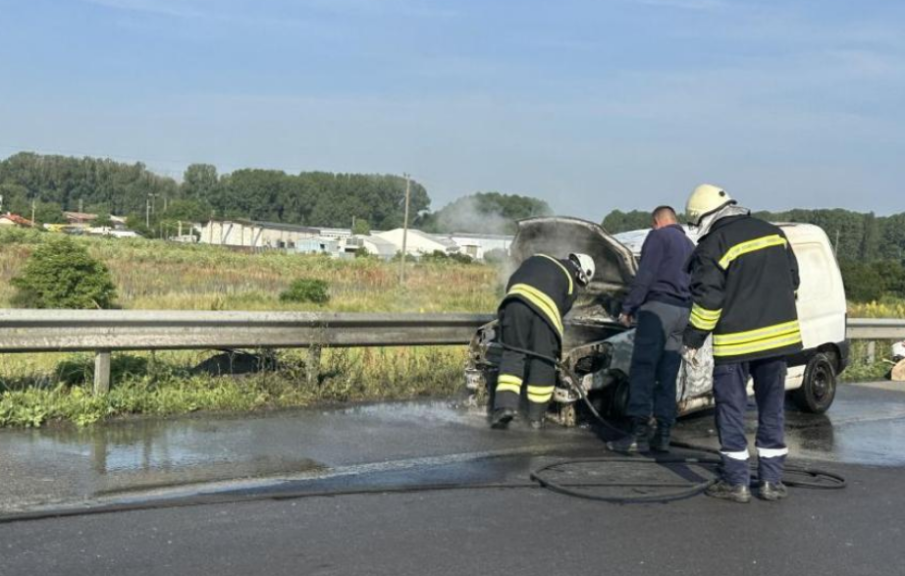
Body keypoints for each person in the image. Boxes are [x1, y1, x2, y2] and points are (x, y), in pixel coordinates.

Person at [682, 184, 801, 503]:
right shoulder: (773, 232)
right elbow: (793, 280)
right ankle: (771, 482)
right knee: (772, 408)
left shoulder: (713, 244)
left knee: (732, 411)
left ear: (702, 217)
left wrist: (692, 340)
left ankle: (736, 483)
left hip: (735, 346)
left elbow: (708, 302)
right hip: (778, 343)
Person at [607, 206, 695, 454]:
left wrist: (629, 307)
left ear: (657, 221)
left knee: (643, 369)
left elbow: (645, 274)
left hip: (658, 309)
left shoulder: (658, 236)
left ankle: (638, 435)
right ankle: (663, 435)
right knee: (668, 374)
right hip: (682, 313)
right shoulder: (690, 245)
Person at [490, 252, 596, 430]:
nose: (579, 286)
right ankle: (536, 417)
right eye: (581, 283)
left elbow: (512, 281)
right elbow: (559, 311)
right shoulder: (570, 282)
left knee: (513, 354)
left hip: (514, 303)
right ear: (580, 273)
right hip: (544, 314)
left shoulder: (537, 258)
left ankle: (504, 408)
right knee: (543, 360)